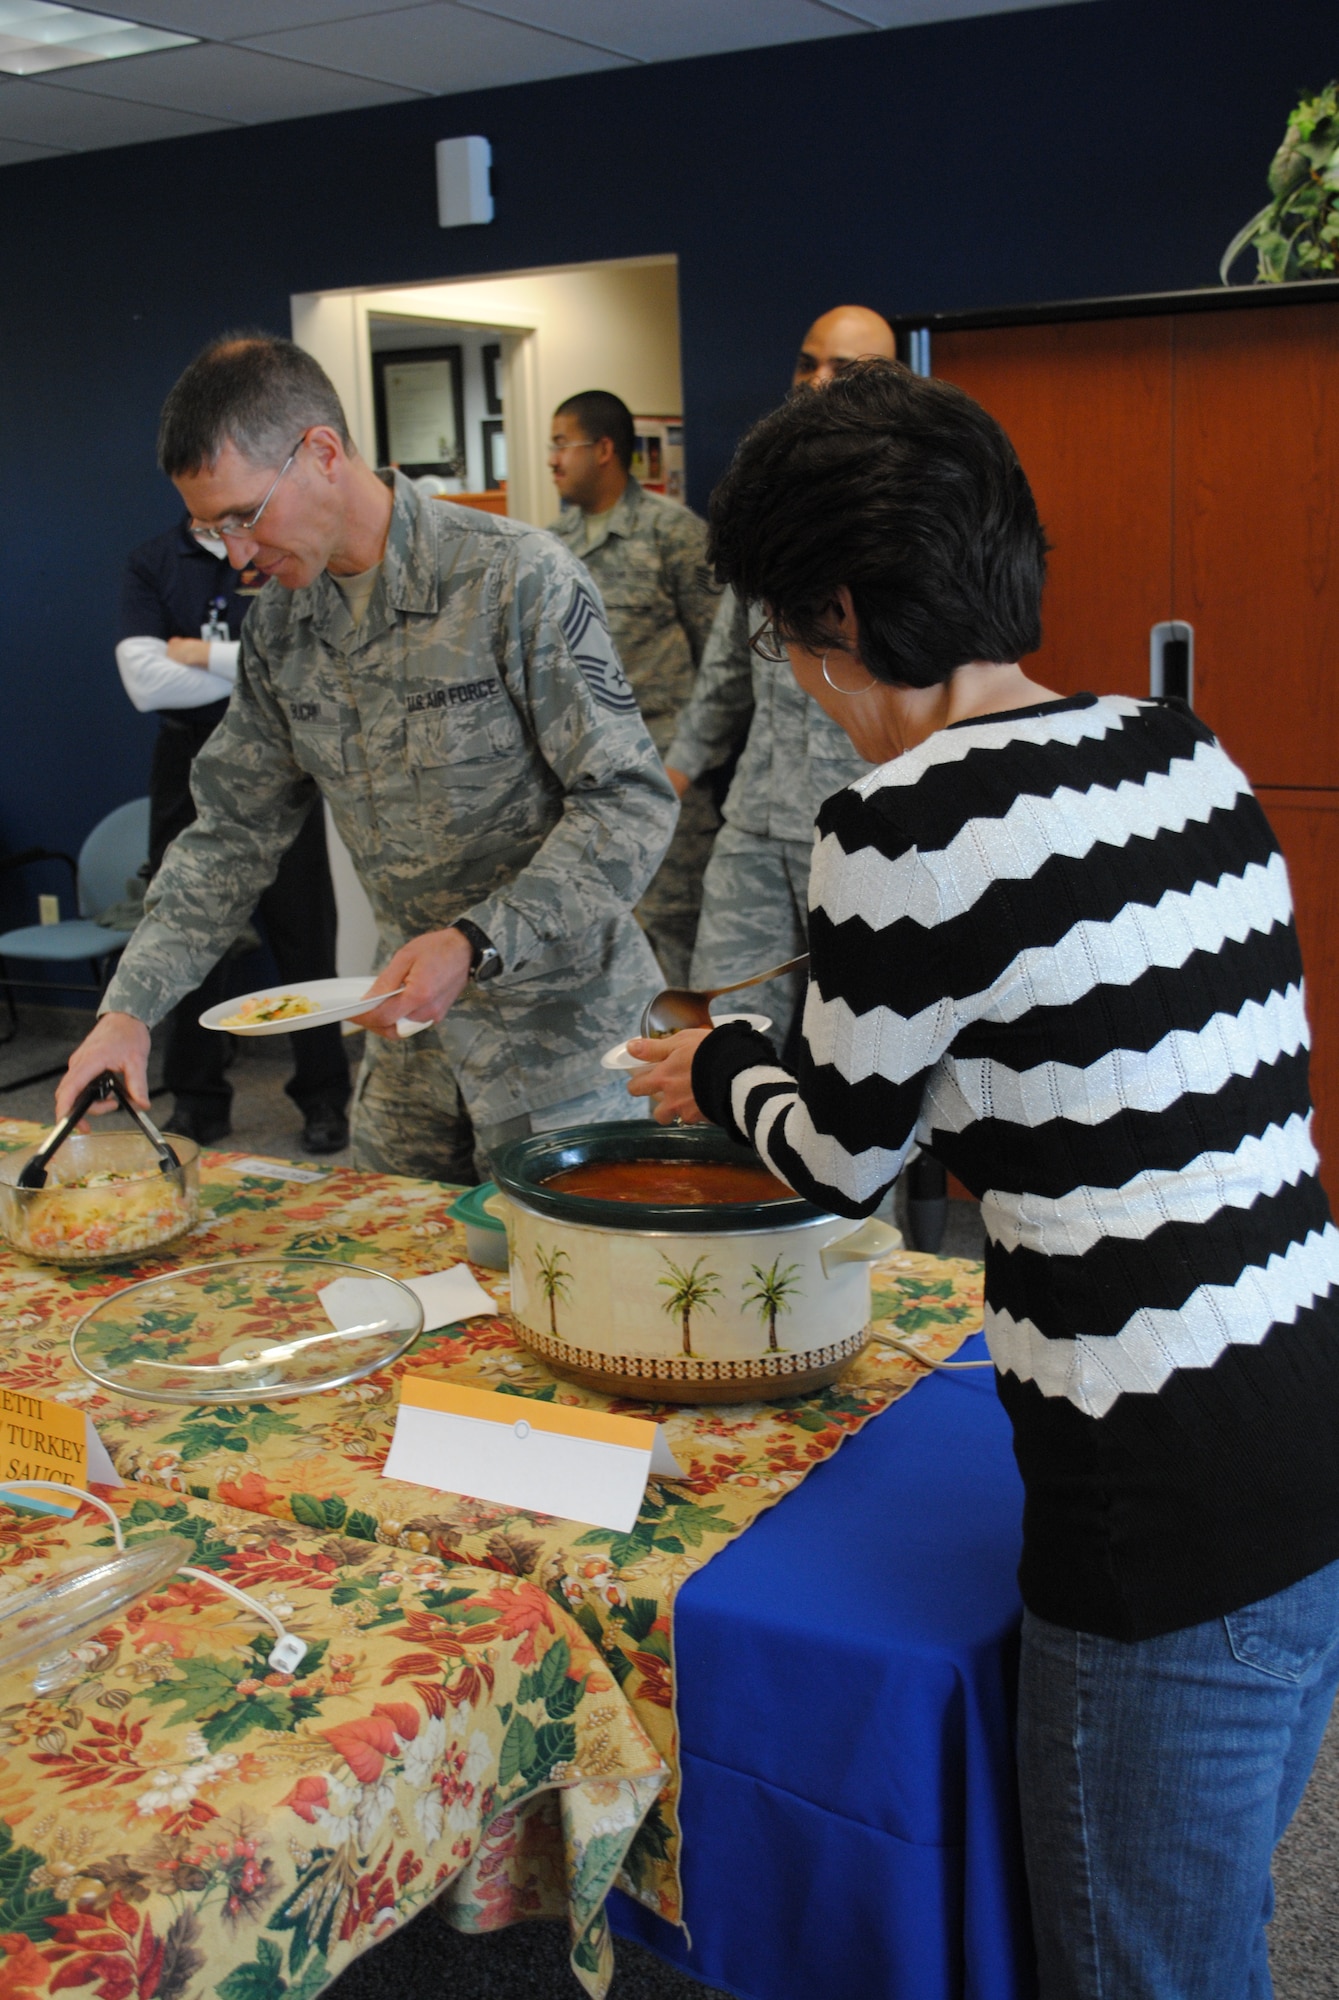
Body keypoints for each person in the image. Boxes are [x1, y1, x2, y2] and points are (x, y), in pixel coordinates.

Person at [630, 359, 1339, 1999]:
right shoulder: (1179, 751)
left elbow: (837, 1162)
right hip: (1302, 1410)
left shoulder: (898, 824)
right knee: (1207, 1918)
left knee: (1129, 1966)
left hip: (1154, 1505)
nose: (788, 677)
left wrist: (711, 1064)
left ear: (831, 610)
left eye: (772, 634)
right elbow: (1097, 1069)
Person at [59, 334, 676, 1181]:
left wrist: (473, 941)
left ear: (319, 452)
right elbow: (229, 836)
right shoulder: (281, 625)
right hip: (407, 1049)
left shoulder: (513, 579)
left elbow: (630, 805)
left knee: (569, 1295)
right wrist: (128, 1012)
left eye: (244, 515)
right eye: (212, 529)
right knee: (397, 1282)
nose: (236, 553)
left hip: (565, 1044)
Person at [662, 306, 897, 1035]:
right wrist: (675, 771)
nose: (817, 382)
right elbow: (731, 665)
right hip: (756, 822)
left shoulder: (918, 506)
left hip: (870, 825)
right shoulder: (762, 503)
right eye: (807, 363)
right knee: (723, 1031)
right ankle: (727, 1152)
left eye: (845, 370)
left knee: (869, 1042)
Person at [117, 518, 350, 1152]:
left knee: (306, 936)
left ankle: (325, 1097)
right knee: (188, 928)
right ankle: (196, 1101)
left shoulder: (280, 546)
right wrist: (244, 665)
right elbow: (143, 679)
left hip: (283, 759)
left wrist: (195, 652)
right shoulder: (154, 560)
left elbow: (303, 667)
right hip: (187, 758)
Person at [547, 390, 721, 985]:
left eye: (561, 443)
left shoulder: (672, 533)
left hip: (666, 776)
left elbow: (720, 657)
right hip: (585, 780)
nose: (552, 460)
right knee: (598, 935)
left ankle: (691, 1071)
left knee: (674, 936)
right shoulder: (549, 549)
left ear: (603, 450)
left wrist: (686, 761)